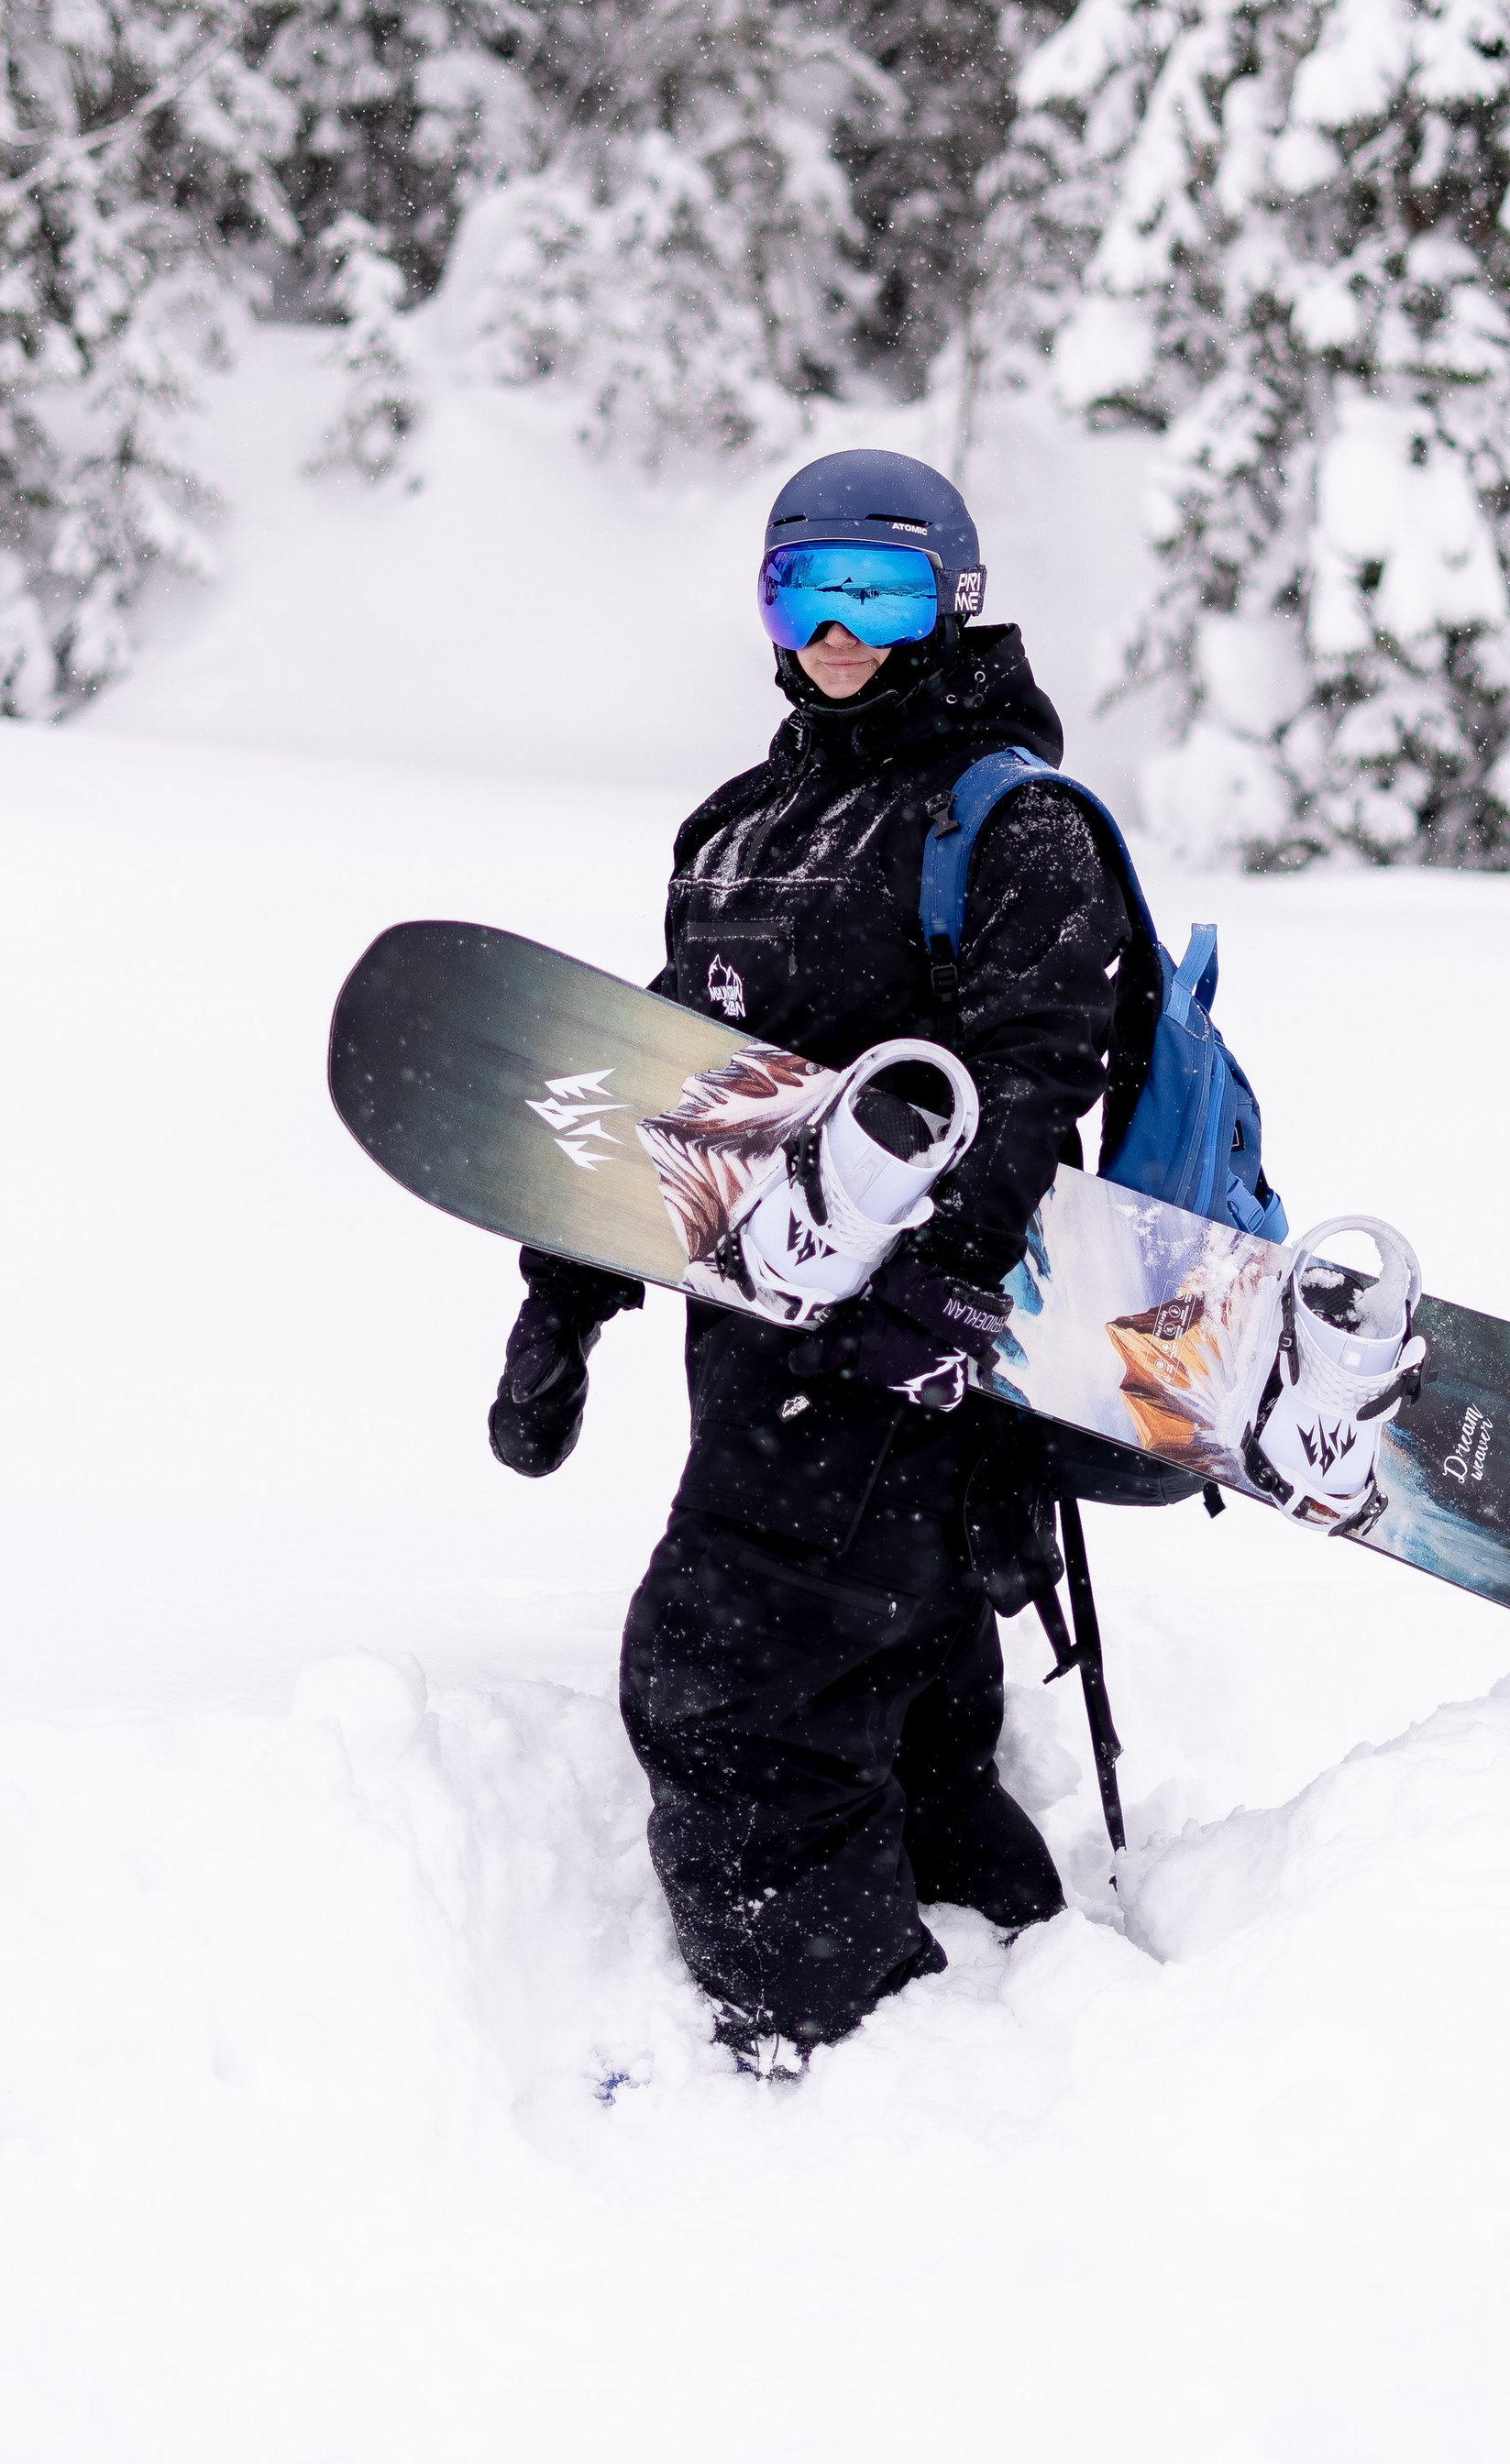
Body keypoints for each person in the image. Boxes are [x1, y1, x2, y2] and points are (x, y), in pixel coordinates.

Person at [486, 450, 1140, 2072]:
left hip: (903, 1369)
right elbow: (670, 1092)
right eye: (805, 592)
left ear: (952, 604)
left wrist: (939, 1283)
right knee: (899, 1699)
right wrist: (565, 1298)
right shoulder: (738, 829)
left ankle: (828, 2035)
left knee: (725, 1692)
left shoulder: (1012, 821)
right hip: (752, 1357)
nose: (839, 630)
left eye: (881, 591)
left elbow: (1041, 1070)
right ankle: (996, 1965)